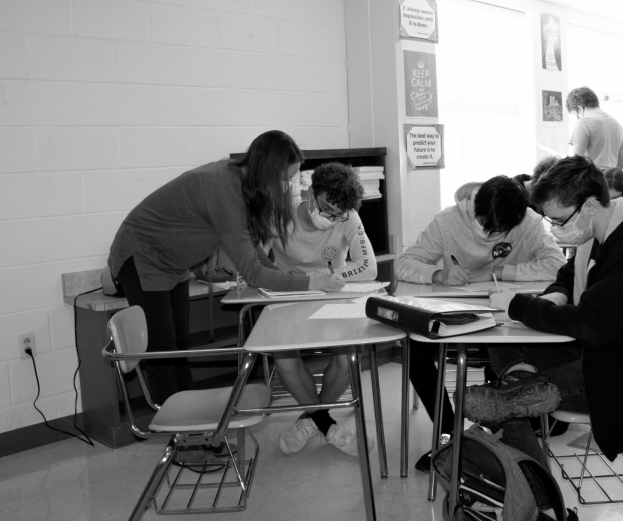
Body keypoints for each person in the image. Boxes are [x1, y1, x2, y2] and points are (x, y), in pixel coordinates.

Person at [464, 156, 623, 464]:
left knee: (507, 402)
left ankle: (520, 398)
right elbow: (569, 275)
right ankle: (520, 391)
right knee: (506, 344)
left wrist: (520, 306)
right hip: (610, 351)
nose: (555, 230)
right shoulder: (602, 233)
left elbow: (591, 324)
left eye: (558, 221)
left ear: (587, 207)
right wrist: (557, 295)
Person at [107, 131, 345, 406]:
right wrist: (310, 283)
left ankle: (193, 425)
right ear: (266, 170)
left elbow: (256, 257)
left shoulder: (241, 184)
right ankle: (178, 434)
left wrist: (298, 281)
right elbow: (254, 274)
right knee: (163, 352)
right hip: (142, 257)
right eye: (283, 179)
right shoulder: (223, 190)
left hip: (172, 263)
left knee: (179, 347)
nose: (284, 188)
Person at [396, 176, 566, 471]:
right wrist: (439, 275)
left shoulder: (528, 222)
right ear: (474, 205)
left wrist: (500, 271)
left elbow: (557, 265)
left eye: (497, 232)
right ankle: (449, 432)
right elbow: (404, 263)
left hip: (506, 315)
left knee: (515, 346)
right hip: (458, 313)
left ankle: (508, 420)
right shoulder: (447, 220)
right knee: (414, 345)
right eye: (483, 223)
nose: (487, 236)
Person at [269, 162, 377, 456]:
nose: (331, 218)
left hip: (331, 296)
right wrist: (304, 280)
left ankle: (312, 420)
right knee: (285, 360)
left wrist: (334, 278)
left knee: (348, 356)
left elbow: (368, 267)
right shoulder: (279, 217)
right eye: (326, 208)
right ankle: (327, 424)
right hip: (289, 295)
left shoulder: (348, 216)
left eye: (338, 214)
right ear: (310, 192)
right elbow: (256, 263)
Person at [566, 87, 623, 170]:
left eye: (576, 114)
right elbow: (621, 164)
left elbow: (576, 163)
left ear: (579, 108)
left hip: (592, 180)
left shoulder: (583, 123)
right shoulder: (617, 125)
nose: (578, 117)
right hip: (612, 180)